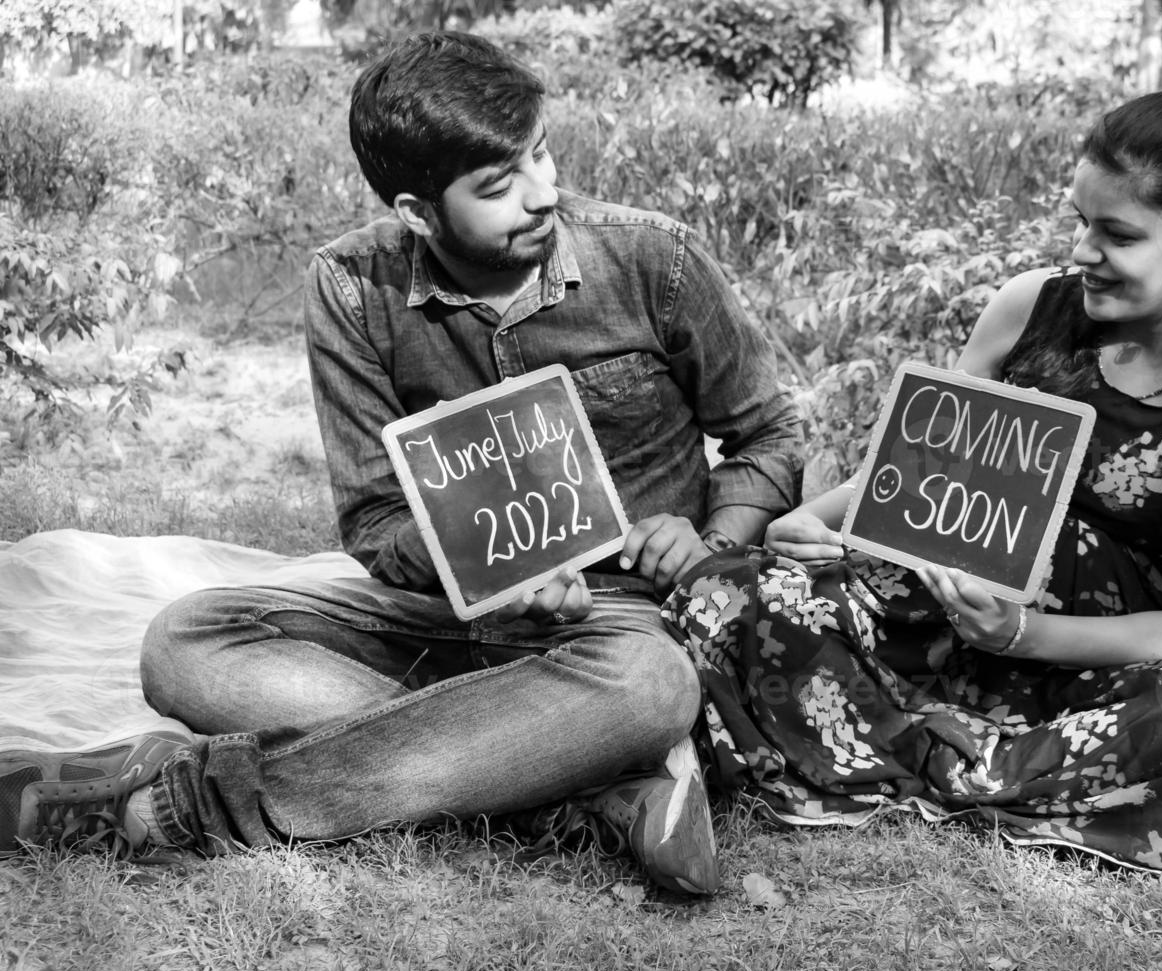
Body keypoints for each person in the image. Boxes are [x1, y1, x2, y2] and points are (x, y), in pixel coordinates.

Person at [0, 31, 803, 895]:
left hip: (619, 623)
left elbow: (771, 437)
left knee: (652, 686)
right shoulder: (351, 286)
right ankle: (575, 781)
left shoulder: (656, 260)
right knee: (184, 641)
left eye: (542, 155)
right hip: (439, 619)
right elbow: (377, 523)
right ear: (418, 211)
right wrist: (490, 570)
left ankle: (195, 802)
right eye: (499, 187)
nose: (545, 194)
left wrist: (707, 536)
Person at [662, 88, 1162, 872]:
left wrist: (1021, 633)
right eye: (1080, 222)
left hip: (1094, 670)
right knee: (726, 595)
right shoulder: (1028, 308)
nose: (1083, 252)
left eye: (1118, 235)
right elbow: (906, 474)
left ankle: (897, 755)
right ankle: (963, 756)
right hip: (930, 623)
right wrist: (812, 524)